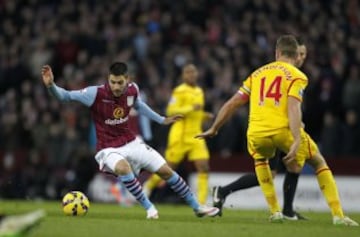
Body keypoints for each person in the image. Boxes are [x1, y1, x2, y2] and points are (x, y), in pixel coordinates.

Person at [196, 35, 358, 226]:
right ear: (294, 53)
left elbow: (233, 103)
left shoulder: (256, 74)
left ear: (277, 52)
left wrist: (215, 127)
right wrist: (297, 137)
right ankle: (338, 215)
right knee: (318, 161)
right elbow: (293, 107)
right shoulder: (297, 76)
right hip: (282, 130)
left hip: (256, 132)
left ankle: (277, 212)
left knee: (263, 162)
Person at [41, 62, 219, 219]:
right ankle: (149, 207)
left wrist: (162, 119)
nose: (116, 86)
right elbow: (65, 96)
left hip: (131, 142)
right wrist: (51, 86)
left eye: (120, 82)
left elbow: (139, 105)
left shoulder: (133, 89)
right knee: (122, 168)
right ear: (108, 79)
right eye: (112, 82)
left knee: (166, 171)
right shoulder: (95, 93)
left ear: (127, 79)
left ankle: (197, 207)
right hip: (108, 148)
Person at [212, 38, 308, 220]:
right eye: (300, 54)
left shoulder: (282, 74)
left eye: (304, 55)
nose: (301, 58)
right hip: (274, 127)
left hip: (270, 128)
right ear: (292, 54)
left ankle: (286, 210)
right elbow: (286, 106)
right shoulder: (293, 76)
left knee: (288, 166)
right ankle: (286, 211)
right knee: (296, 162)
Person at [143, 64, 213, 205]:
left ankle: (201, 203)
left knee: (204, 166)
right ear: (183, 76)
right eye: (188, 72)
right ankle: (149, 186)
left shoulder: (199, 91)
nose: (191, 75)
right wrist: (191, 107)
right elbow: (171, 111)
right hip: (180, 135)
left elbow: (196, 112)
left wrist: (204, 115)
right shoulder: (179, 91)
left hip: (196, 135)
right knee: (168, 168)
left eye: (193, 72)